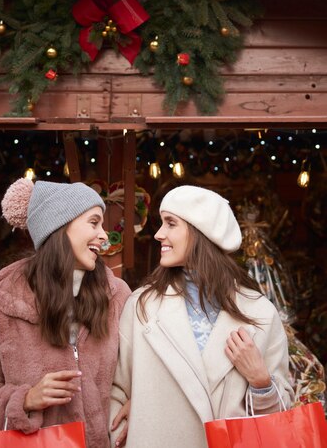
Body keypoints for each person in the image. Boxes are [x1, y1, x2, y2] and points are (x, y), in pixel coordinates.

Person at [0, 178, 131, 448]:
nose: (103, 235)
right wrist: (25, 401)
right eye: (93, 223)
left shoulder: (116, 298)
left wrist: (141, 400)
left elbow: (145, 370)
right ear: (59, 227)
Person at [110, 185, 294, 448]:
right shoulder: (142, 306)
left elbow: (279, 420)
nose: (159, 234)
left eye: (171, 223)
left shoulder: (260, 313)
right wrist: (128, 431)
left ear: (201, 232)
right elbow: (115, 389)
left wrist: (261, 381)